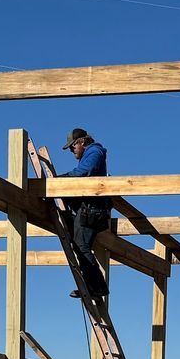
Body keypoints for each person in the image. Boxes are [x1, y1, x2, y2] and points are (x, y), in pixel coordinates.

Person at [60, 127, 113, 298]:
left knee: (81, 247)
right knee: (81, 246)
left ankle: (96, 288)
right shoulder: (92, 153)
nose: (71, 150)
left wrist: (61, 180)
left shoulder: (94, 152)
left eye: (72, 147)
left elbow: (83, 172)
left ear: (81, 142)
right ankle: (96, 288)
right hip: (91, 209)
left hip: (91, 210)